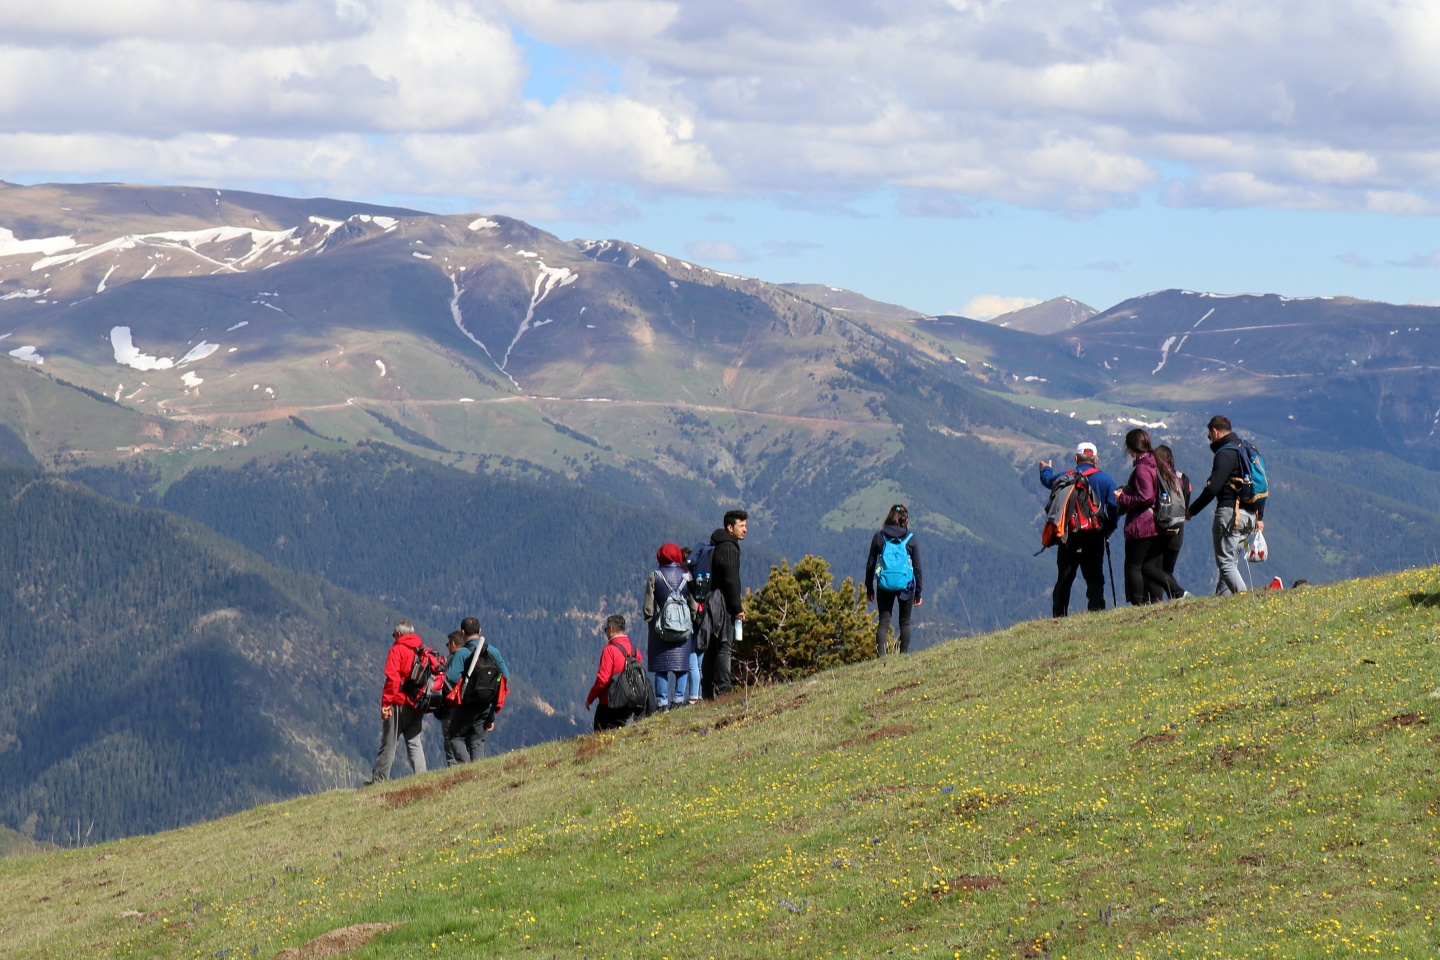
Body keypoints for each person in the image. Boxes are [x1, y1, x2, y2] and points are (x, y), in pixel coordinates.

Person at [1186, 415, 1266, 596]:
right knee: (1230, 561)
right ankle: (1222, 600)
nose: (1210, 440)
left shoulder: (1225, 453)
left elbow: (1212, 488)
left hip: (1231, 514)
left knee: (1226, 563)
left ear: (1214, 432)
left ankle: (1245, 600)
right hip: (1249, 517)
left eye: (1209, 436)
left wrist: (1192, 510)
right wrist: (1260, 516)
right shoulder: (1249, 449)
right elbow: (1261, 485)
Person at [1038, 442, 1117, 617]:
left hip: (1068, 536)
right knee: (1094, 577)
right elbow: (1114, 507)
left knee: (1065, 577)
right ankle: (1097, 613)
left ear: (1076, 458)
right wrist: (1109, 528)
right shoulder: (1105, 480)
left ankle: (1059, 616)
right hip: (1094, 536)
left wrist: (1045, 468)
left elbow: (1048, 481)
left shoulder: (1066, 477)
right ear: (1095, 459)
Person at [1115, 429, 1187, 605]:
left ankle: (1138, 605)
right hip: (1158, 524)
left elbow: (1146, 496)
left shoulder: (1141, 467)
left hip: (1142, 525)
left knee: (1134, 566)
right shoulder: (1157, 462)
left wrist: (1122, 498)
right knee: (1148, 566)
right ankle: (1178, 592)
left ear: (1131, 448)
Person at [367, 619, 429, 784]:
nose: (394, 637)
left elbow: (392, 679)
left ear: (399, 634)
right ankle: (422, 778)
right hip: (416, 704)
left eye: (394, 634)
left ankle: (379, 780)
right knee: (414, 742)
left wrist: (386, 704)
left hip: (398, 702)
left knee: (389, 742)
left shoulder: (397, 650)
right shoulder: (420, 650)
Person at [442, 617, 509, 764]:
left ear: (463, 632)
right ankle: (477, 772)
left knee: (455, 736)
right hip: (485, 705)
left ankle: (466, 768)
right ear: (480, 631)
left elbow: (451, 678)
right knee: (477, 741)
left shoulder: (462, 654)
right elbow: (505, 676)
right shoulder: (493, 652)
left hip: (465, 705)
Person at [643, 543, 697, 709]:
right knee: (682, 667)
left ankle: (662, 702)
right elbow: (692, 602)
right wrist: (691, 618)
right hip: (683, 627)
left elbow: (648, 606)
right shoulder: (686, 575)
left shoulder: (655, 575)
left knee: (661, 668)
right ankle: (679, 699)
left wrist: (650, 620)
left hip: (661, 628)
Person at [865, 504, 924, 653]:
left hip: (884, 584)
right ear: (906, 520)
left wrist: (869, 588)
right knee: (905, 623)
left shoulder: (879, 536)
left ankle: (882, 657)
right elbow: (917, 567)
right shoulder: (910, 538)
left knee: (884, 622)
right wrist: (918, 592)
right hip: (906, 584)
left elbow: (870, 565)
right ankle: (903, 655)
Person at [701, 509, 747, 698]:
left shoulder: (719, 545)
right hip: (723, 602)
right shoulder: (729, 549)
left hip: (712, 601)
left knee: (713, 646)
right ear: (730, 527)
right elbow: (731, 581)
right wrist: (737, 608)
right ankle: (724, 689)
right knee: (724, 644)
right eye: (741, 526)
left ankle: (707, 689)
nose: (745, 530)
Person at [586, 614, 646, 731]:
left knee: (601, 735)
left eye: (606, 630)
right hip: (629, 702)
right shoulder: (635, 651)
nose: (606, 633)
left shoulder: (609, 650)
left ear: (612, 629)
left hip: (609, 703)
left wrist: (590, 698)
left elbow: (603, 679)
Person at [1151, 444, 1192, 601]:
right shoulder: (1183, 479)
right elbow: (1185, 506)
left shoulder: (1156, 477)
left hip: (1159, 530)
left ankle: (1170, 597)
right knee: (1167, 570)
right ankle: (1176, 597)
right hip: (1177, 531)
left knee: (1156, 570)